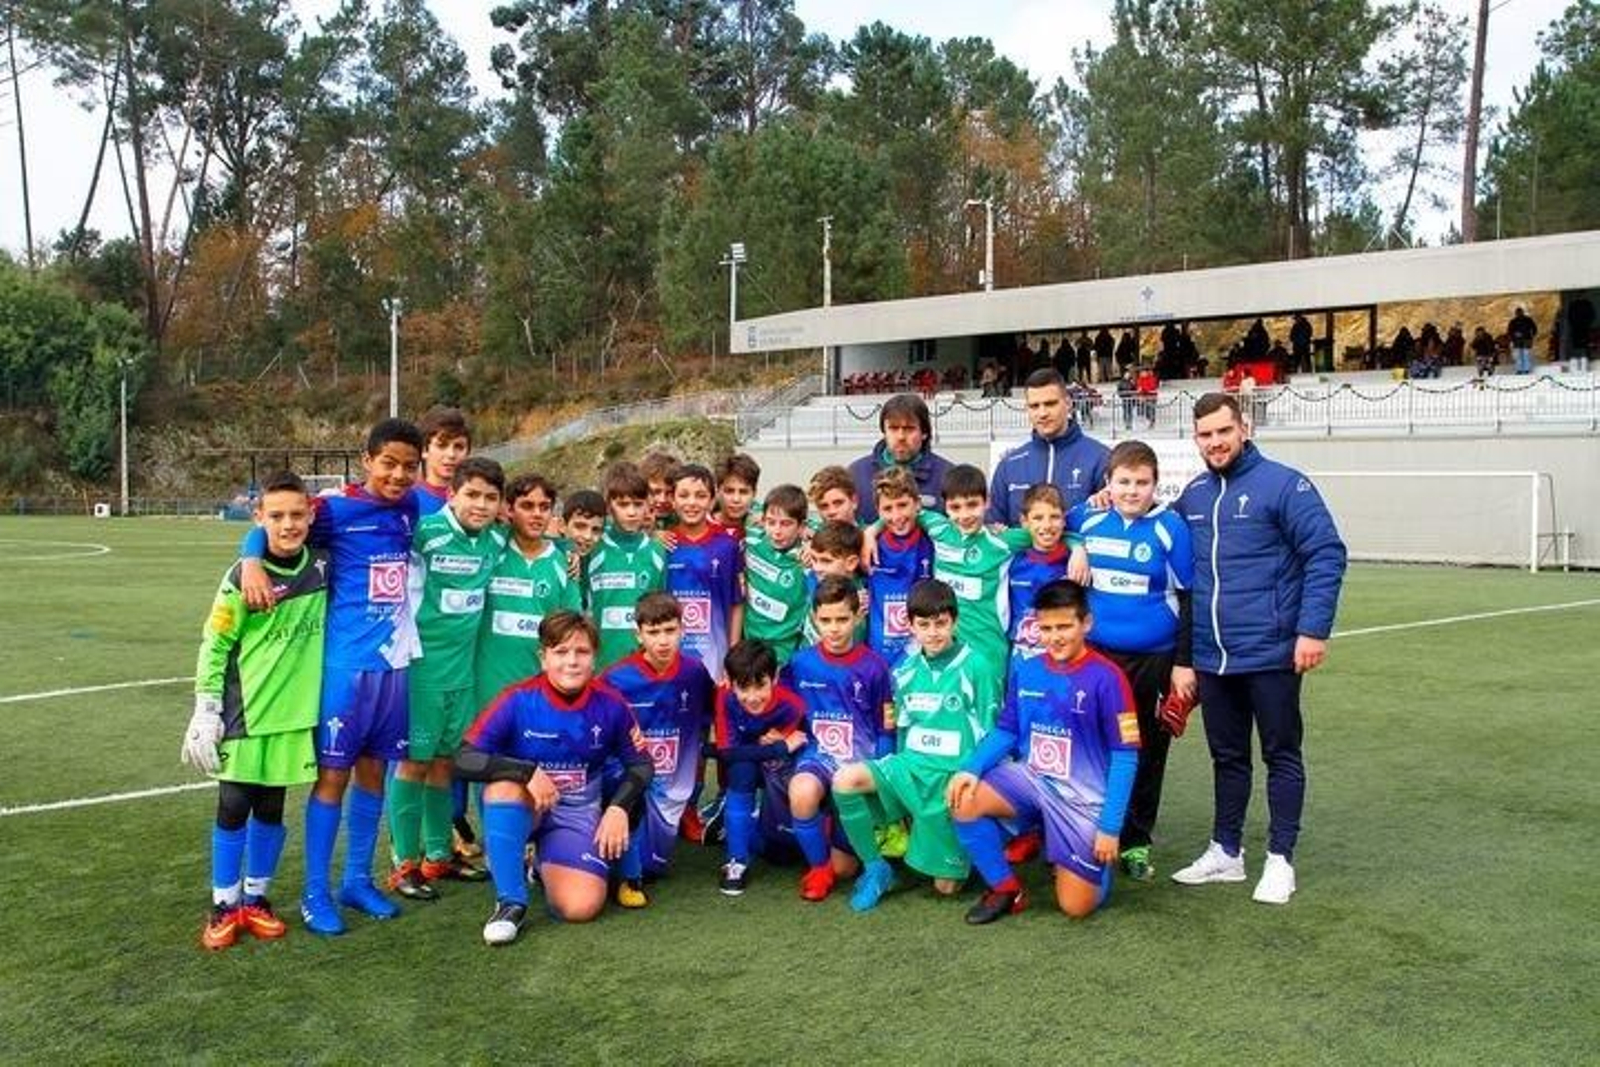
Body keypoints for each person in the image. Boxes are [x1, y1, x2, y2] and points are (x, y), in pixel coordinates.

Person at [237, 418, 424, 936]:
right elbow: (276, 523)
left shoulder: (410, 506)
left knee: (374, 774)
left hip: (393, 667)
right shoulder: (335, 509)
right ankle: (315, 892)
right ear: (367, 460)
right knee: (332, 778)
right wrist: (251, 559)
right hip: (344, 669)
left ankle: (357, 880)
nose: (398, 473)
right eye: (388, 462)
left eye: (409, 465)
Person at [1169, 394, 1347, 905]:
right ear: (1196, 439)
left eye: (1223, 431)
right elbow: (1162, 542)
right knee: (1227, 757)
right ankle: (1226, 852)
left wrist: (1312, 629)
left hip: (1271, 652)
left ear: (1243, 429)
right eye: (1205, 435)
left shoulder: (1284, 484)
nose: (1215, 442)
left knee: (1280, 754)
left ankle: (1280, 859)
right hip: (1213, 656)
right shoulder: (1195, 495)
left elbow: (1327, 553)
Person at [184, 471, 327, 949]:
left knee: (271, 808)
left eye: (296, 515)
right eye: (276, 516)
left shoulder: (322, 566)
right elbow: (215, 642)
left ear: (310, 514)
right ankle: (222, 905)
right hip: (244, 714)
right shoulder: (240, 577)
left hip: (292, 718)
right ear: (258, 518)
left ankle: (255, 899)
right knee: (232, 806)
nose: (288, 525)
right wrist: (207, 709)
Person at [454, 612, 653, 944]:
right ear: (543, 657)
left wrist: (618, 808)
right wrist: (526, 772)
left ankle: (541, 863)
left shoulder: (611, 703)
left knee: (581, 907)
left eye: (582, 652)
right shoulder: (517, 699)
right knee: (503, 788)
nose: (572, 662)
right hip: (526, 807)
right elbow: (463, 758)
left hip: (576, 813)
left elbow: (642, 764)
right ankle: (510, 902)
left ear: (595, 657)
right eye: (560, 652)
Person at [948, 579, 1139, 923]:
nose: (1055, 637)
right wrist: (970, 767)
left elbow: (1125, 756)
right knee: (963, 798)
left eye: (1065, 626)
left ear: (1087, 623)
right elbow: (1007, 729)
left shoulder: (1108, 678)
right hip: (1032, 780)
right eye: (1046, 628)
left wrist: (1110, 828)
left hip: (1080, 800)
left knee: (1075, 907)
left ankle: (1087, 861)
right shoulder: (1027, 668)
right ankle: (1007, 889)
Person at [1065, 441, 1194, 881]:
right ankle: (1089, 829)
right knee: (1090, 744)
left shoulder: (1170, 528)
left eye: (1142, 483)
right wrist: (1076, 543)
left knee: (1145, 748)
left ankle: (1136, 840)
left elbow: (1189, 597)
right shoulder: (1088, 517)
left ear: (1156, 485)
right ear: (1108, 483)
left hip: (1153, 661)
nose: (1132, 491)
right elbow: (1046, 529)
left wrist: (1183, 661)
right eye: (1124, 482)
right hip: (1096, 658)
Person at [388, 457, 506, 901]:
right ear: (451, 493)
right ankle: (404, 862)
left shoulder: (495, 542)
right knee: (414, 763)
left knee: (443, 764)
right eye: (472, 494)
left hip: (463, 676)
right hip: (422, 671)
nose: (480, 505)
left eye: (490, 498)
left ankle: (439, 855)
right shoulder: (426, 533)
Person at [782, 577, 895, 901]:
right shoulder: (801, 662)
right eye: (826, 620)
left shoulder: (875, 667)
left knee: (845, 869)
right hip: (819, 758)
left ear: (858, 617)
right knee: (801, 792)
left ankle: (835, 829)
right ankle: (818, 869)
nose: (833, 628)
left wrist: (879, 775)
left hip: (857, 769)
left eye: (842, 619)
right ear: (814, 618)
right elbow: (786, 706)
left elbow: (886, 727)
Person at [601, 593, 715, 907]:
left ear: (682, 630)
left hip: (672, 787)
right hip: (629, 782)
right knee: (601, 868)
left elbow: (711, 715)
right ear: (638, 634)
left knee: (654, 866)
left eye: (669, 630)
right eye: (653, 632)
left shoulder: (694, 672)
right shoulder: (616, 678)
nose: (663, 641)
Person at [475, 473, 582, 710]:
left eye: (544, 507)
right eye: (527, 506)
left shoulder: (562, 563)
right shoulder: (491, 549)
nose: (536, 514)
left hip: (538, 691)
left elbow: (571, 629)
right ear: (509, 510)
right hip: (486, 691)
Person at [710, 639, 810, 895]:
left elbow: (799, 744)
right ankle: (736, 861)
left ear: (775, 677)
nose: (753, 697)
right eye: (743, 687)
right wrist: (777, 747)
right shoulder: (723, 696)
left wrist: (782, 748)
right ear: (728, 681)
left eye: (760, 686)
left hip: (778, 770)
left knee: (783, 855)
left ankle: (753, 826)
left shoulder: (792, 704)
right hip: (743, 760)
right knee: (741, 771)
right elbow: (728, 753)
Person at [987, 368, 1110, 526]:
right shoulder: (1009, 465)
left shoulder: (1101, 458)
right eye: (1034, 406)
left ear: (1068, 403)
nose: (1042, 413)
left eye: (1050, 404)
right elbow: (993, 530)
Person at [663, 463, 744, 684]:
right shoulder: (662, 545)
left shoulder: (728, 546)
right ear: (672, 500)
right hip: (670, 657)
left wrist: (733, 655)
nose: (691, 503)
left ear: (711, 500)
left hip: (715, 657)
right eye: (684, 495)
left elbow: (737, 603)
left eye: (700, 496)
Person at [586, 462, 668, 668]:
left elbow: (662, 611)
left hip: (643, 664)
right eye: (623, 504)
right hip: (600, 664)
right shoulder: (593, 548)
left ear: (648, 504)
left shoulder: (657, 552)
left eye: (638, 504)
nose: (631, 512)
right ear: (609, 504)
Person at [846, 394, 953, 522]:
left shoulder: (948, 476)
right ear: (884, 431)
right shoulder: (855, 475)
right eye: (893, 428)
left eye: (909, 429)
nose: (901, 436)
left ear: (924, 433)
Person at [865, 467, 933, 667]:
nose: (896, 516)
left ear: (917, 504)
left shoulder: (935, 542)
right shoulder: (867, 545)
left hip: (922, 658)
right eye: (888, 508)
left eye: (902, 505)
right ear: (878, 511)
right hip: (880, 659)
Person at [741, 484, 811, 667]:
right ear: (763, 521)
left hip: (784, 652)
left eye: (786, 524)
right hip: (748, 645)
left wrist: (813, 540)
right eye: (771, 522)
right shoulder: (750, 541)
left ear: (801, 526)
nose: (777, 531)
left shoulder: (808, 559)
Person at [1005, 484, 1069, 661]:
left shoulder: (1075, 562)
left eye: (1055, 517)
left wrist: (1078, 549)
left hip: (1063, 655)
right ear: (1024, 521)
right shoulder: (1012, 560)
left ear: (1064, 519)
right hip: (1022, 654)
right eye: (1038, 518)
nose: (1047, 525)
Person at [412, 406, 472, 515]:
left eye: (459, 447)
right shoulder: (407, 502)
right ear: (424, 450)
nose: (451, 454)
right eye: (442, 446)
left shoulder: (480, 501)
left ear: (468, 452)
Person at [714, 453, 762, 537]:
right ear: (718, 491)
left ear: (754, 493)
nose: (736, 499)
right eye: (729, 491)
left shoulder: (764, 530)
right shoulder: (700, 526)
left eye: (743, 492)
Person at [1508, 306, 1538, 374]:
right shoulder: (1513, 321)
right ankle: (1519, 369)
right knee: (1518, 356)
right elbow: (1509, 331)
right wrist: (1514, 336)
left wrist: (1531, 336)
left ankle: (1526, 369)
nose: (1519, 314)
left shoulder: (1528, 320)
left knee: (1526, 355)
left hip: (1526, 340)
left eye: (1520, 312)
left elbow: (1534, 328)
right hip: (1517, 341)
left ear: (1522, 312)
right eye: (1517, 313)